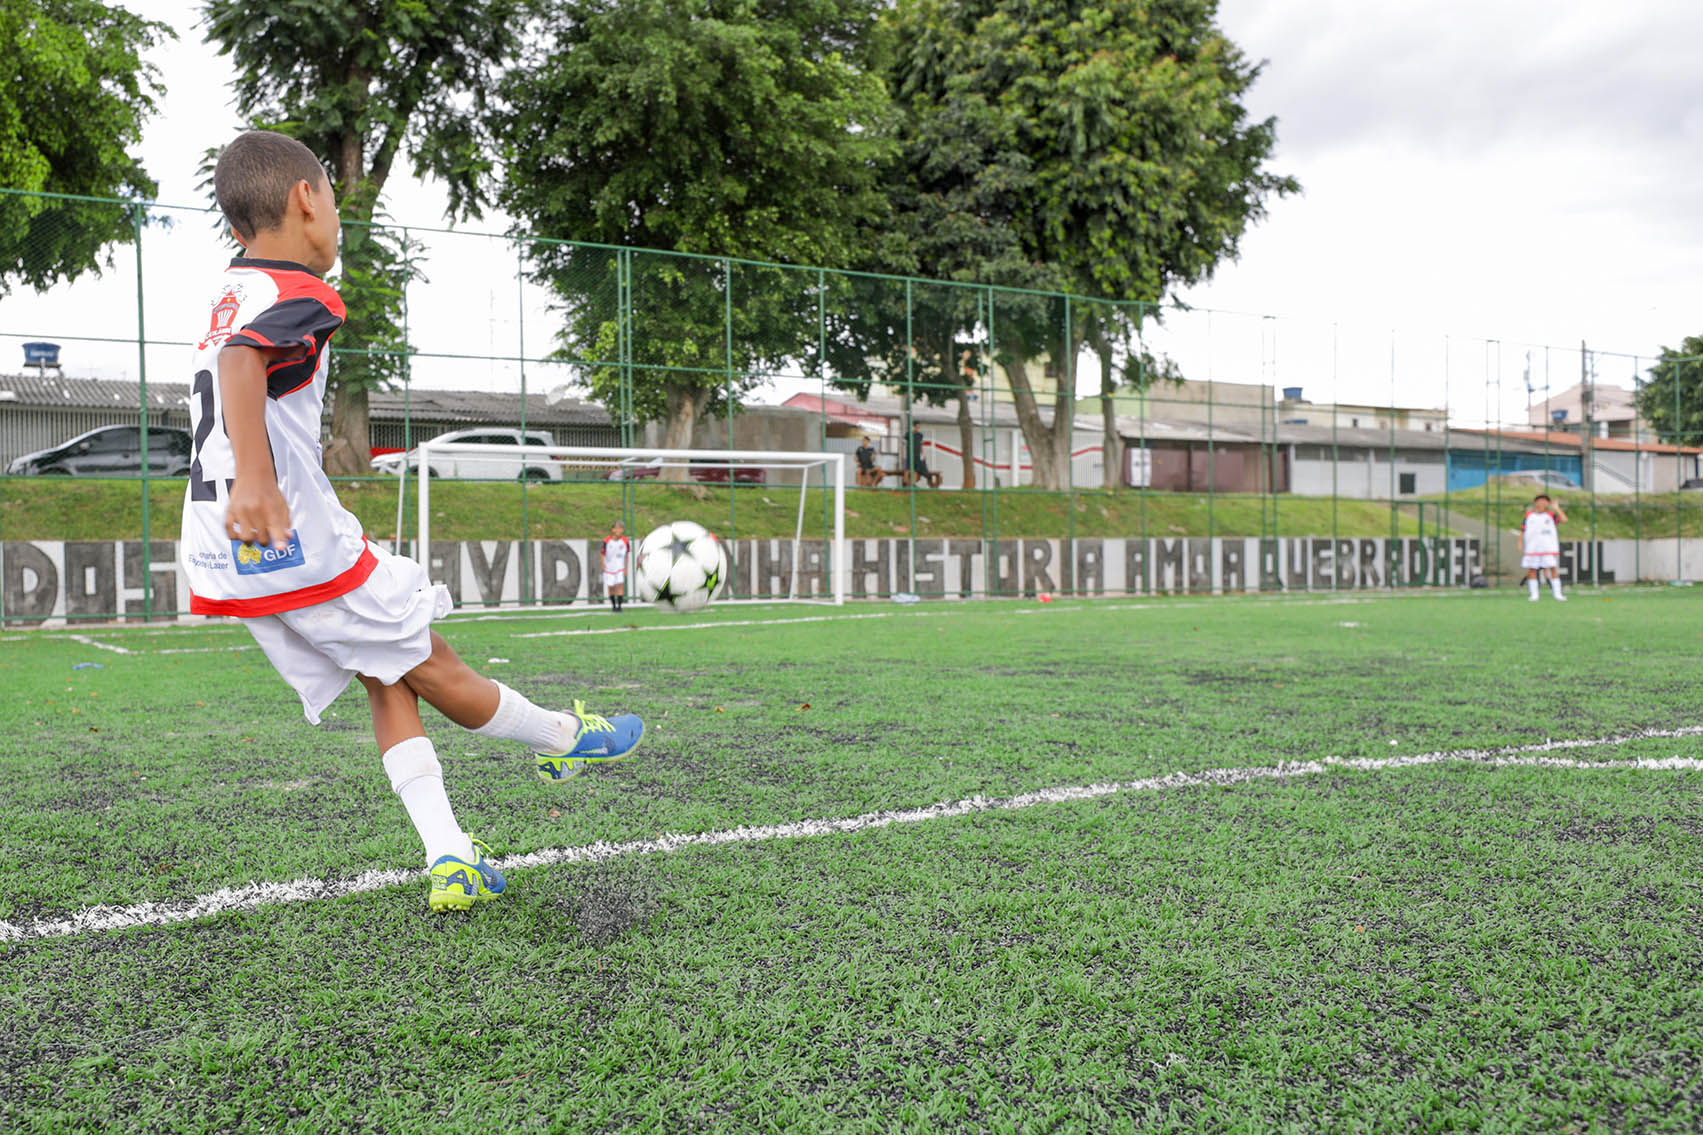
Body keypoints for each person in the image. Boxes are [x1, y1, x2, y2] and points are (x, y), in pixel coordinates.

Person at [180, 130, 644, 913]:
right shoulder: (302, 290)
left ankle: (451, 855)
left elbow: (235, 359)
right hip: (284, 535)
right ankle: (565, 739)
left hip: (220, 542)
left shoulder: (232, 289)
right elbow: (240, 362)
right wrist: (258, 480)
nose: (336, 218)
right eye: (333, 199)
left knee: (386, 670)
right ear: (306, 199)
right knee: (435, 663)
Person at [1519, 492, 1568, 601]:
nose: (1542, 503)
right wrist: (1520, 542)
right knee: (1532, 570)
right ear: (1535, 503)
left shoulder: (1550, 515)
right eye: (1540, 500)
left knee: (1552, 569)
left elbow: (1564, 519)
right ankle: (1534, 595)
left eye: (1545, 501)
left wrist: (1557, 508)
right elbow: (1523, 530)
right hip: (1532, 548)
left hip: (1547, 548)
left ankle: (1558, 594)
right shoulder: (1529, 515)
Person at [601, 520, 631, 611]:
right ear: (613, 530)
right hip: (609, 568)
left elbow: (626, 555)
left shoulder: (625, 540)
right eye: (617, 528)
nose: (619, 530)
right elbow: (602, 553)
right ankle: (613, 605)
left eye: (621, 528)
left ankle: (619, 606)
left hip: (620, 567)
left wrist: (626, 568)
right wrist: (603, 564)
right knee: (611, 587)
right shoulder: (607, 540)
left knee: (620, 585)